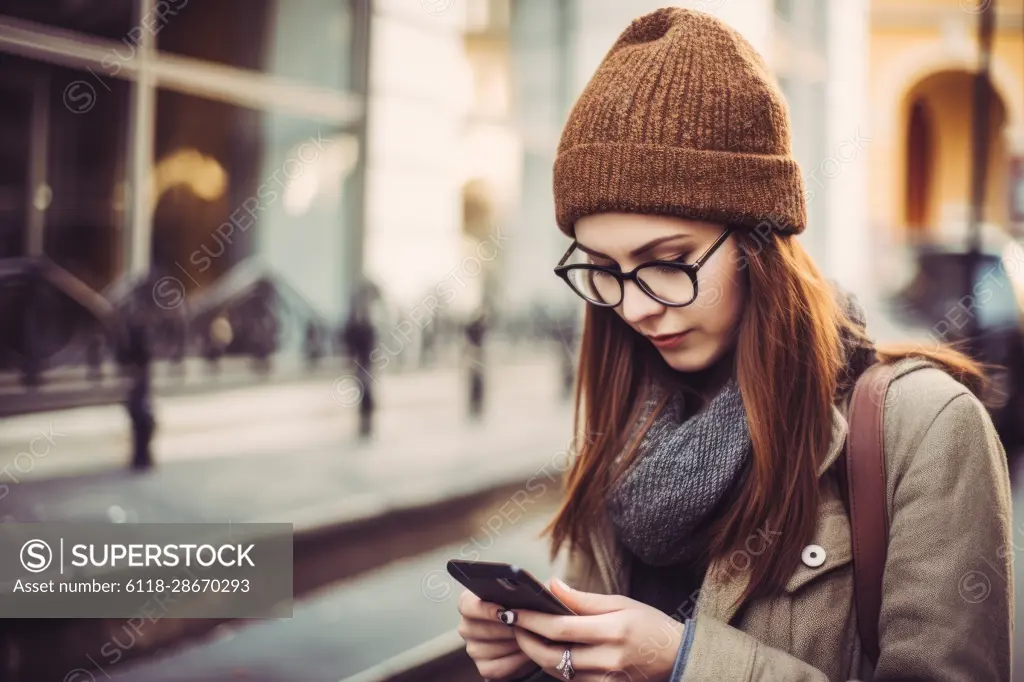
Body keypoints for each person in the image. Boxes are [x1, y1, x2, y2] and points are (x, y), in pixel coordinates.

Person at [455, 8, 1012, 682]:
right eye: (603, 269)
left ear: (759, 242)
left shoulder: (924, 428)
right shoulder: (630, 418)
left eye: (668, 260)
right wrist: (535, 656)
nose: (633, 305)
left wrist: (686, 663)